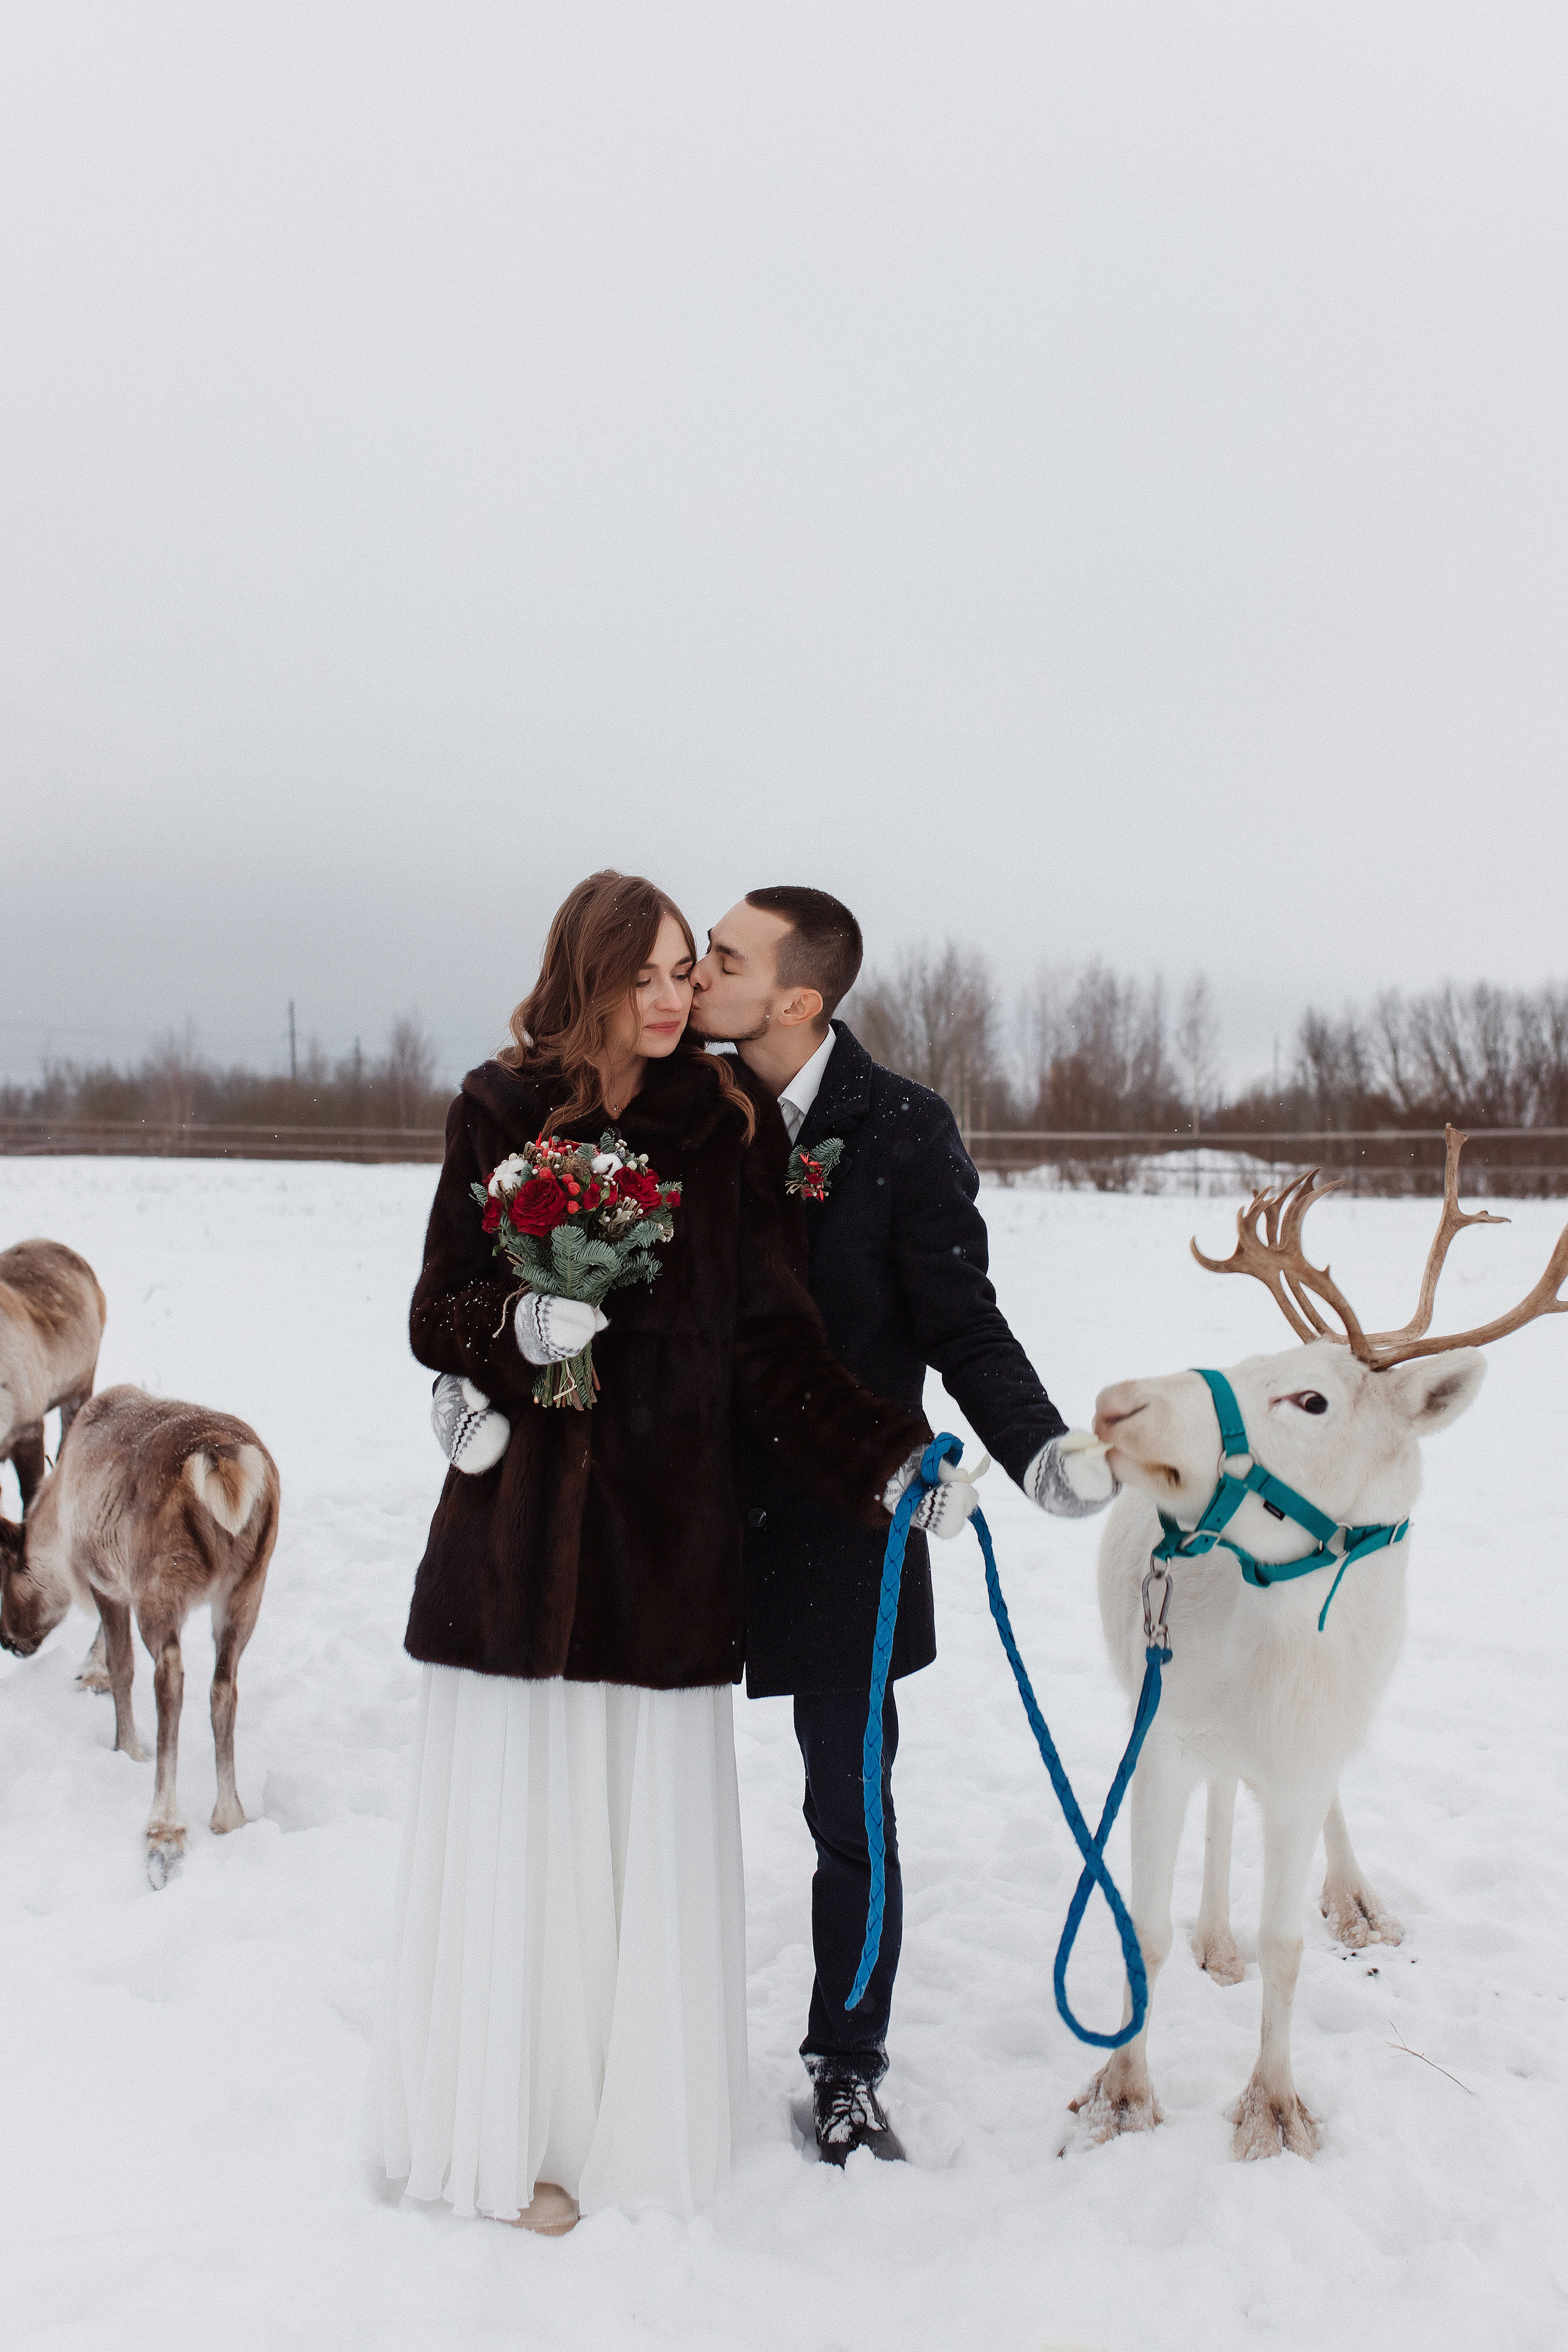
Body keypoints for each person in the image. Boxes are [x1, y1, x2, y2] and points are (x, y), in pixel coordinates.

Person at [366, 871, 933, 2235]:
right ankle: (513, 2134)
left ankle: (615, 2131)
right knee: (526, 1844)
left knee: (628, 1853)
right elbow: (436, 1308)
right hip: (510, 1553)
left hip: (662, 1556)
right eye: (653, 973)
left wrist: (883, 1457)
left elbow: (773, 1342)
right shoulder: (495, 1107)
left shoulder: (723, 1129)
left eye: (691, 971)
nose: (677, 997)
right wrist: (516, 1333)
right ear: (591, 973)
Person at [687, 886, 1115, 2167]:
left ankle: (846, 2060)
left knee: (847, 1804)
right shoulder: (675, 1113)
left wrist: (1034, 1445)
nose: (697, 976)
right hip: (682, 1520)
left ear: (798, 999)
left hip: (845, 1518)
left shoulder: (903, 1130)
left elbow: (955, 1317)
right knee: (636, 1779)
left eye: (722, 959)